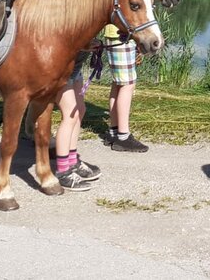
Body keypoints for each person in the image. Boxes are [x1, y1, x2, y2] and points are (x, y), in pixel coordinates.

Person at [54, 48, 102, 191]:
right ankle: (63, 171)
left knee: (80, 110)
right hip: (62, 67)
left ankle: (72, 160)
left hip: (75, 66)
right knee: (70, 114)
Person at [103, 24, 148, 152]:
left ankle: (114, 132)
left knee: (117, 84)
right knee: (127, 84)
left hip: (116, 34)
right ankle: (123, 137)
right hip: (123, 35)